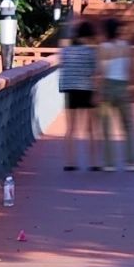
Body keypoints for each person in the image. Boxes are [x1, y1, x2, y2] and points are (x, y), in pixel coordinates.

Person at [96, 15, 134, 171]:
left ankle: (109, 163)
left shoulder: (103, 47)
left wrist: (98, 91)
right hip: (122, 86)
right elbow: (131, 68)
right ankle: (132, 162)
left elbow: (102, 71)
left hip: (108, 86)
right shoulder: (126, 46)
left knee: (107, 127)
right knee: (128, 126)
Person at [58, 19, 99, 170]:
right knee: (90, 129)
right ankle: (94, 163)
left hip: (70, 89)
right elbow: (94, 72)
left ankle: (70, 162)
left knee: (70, 129)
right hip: (87, 89)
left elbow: (64, 68)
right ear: (89, 36)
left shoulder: (66, 51)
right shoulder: (91, 52)